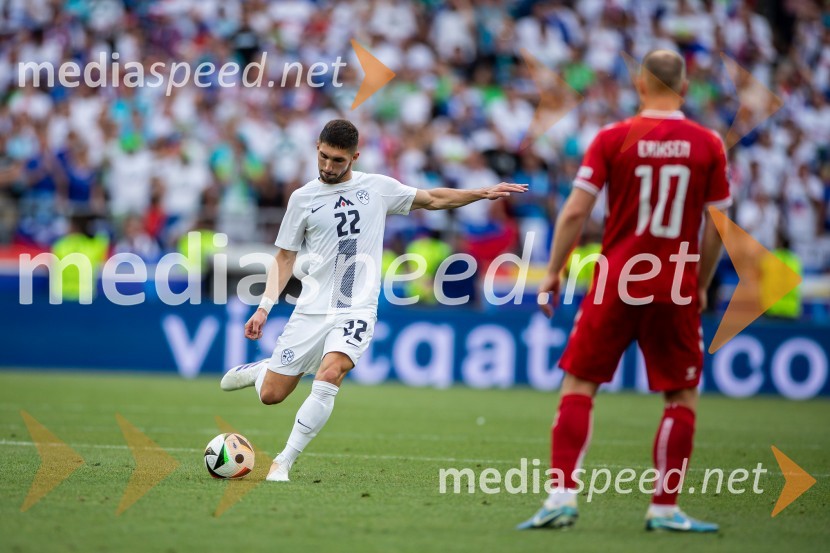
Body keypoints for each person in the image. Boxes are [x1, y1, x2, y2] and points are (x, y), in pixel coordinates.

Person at [220, 119, 526, 482]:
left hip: (358, 307)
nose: (328, 167)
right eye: (323, 157)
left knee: (331, 372)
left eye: (337, 160)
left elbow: (432, 199)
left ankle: (283, 461)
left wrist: (481, 192)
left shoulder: (376, 189)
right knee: (271, 395)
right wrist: (264, 307)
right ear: (316, 147)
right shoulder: (302, 199)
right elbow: (284, 258)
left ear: (355, 157)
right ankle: (262, 371)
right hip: (312, 308)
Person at [518, 50, 731, 533]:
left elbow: (574, 211)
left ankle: (561, 498)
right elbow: (719, 224)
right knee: (681, 395)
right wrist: (698, 283)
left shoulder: (613, 138)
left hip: (617, 280)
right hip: (675, 282)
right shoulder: (708, 143)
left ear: (640, 83)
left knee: (579, 384)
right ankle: (664, 508)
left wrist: (554, 272)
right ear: (685, 85)